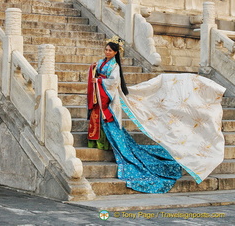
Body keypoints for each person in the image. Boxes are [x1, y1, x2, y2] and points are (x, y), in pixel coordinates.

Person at [87, 36, 225, 193]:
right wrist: (94, 71)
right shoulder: (103, 62)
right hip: (102, 97)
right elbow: (97, 68)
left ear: (116, 52)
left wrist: (98, 81)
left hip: (108, 98)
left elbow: (113, 83)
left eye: (110, 50)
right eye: (106, 49)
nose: (107, 52)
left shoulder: (115, 67)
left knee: (112, 126)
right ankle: (101, 142)